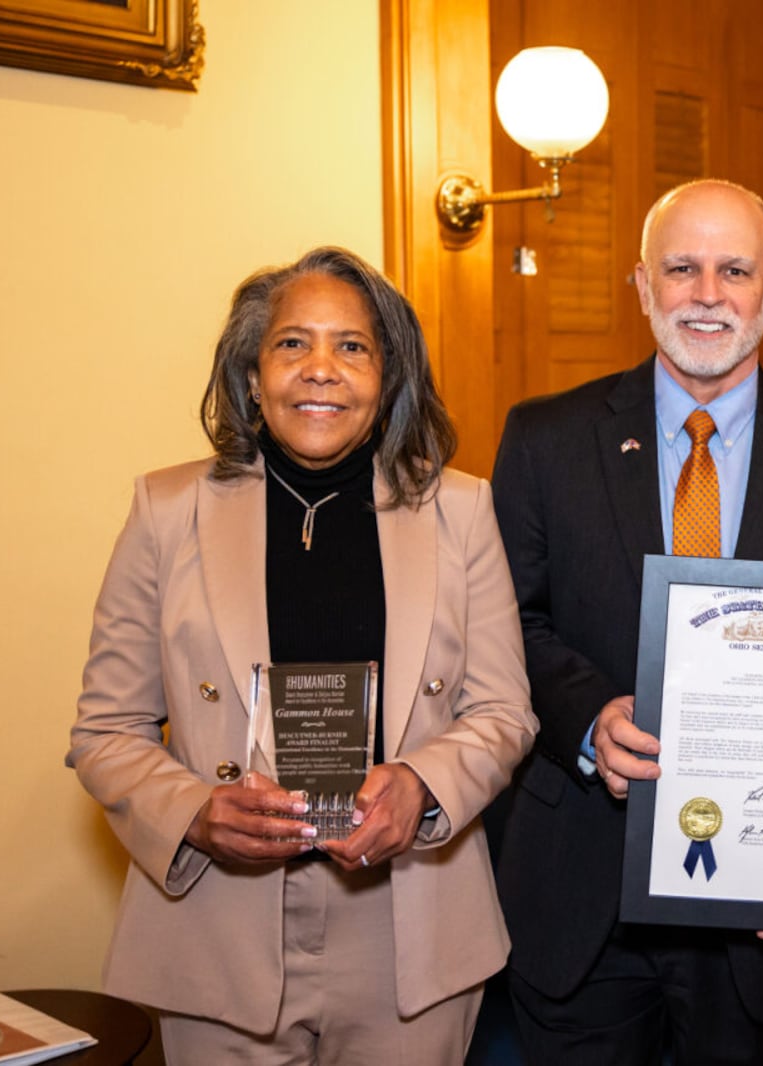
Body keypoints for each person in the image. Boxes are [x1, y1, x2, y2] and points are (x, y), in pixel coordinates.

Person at [67, 246, 537, 1064]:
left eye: (352, 347)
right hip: (218, 916)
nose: (321, 369)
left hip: (409, 920)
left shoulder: (462, 509)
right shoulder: (165, 509)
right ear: (252, 377)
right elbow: (105, 731)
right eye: (293, 344)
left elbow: (503, 712)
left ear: (388, 379)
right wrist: (194, 813)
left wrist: (422, 785)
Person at [490, 179, 763, 1065]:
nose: (707, 293)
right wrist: (590, 717)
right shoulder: (543, 439)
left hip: (758, 900)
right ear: (642, 285)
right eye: (682, 268)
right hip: (580, 887)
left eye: (734, 269)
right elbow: (506, 625)